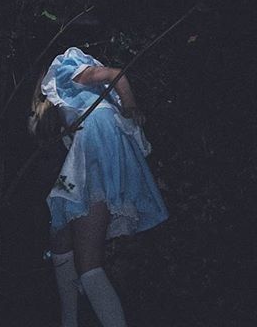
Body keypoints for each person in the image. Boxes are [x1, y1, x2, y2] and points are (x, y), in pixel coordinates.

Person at [28, 47, 169, 327]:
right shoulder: (70, 107)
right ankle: (70, 321)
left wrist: (130, 106)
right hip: (92, 157)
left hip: (98, 153)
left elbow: (117, 74)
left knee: (88, 264)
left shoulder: (64, 69)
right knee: (59, 238)